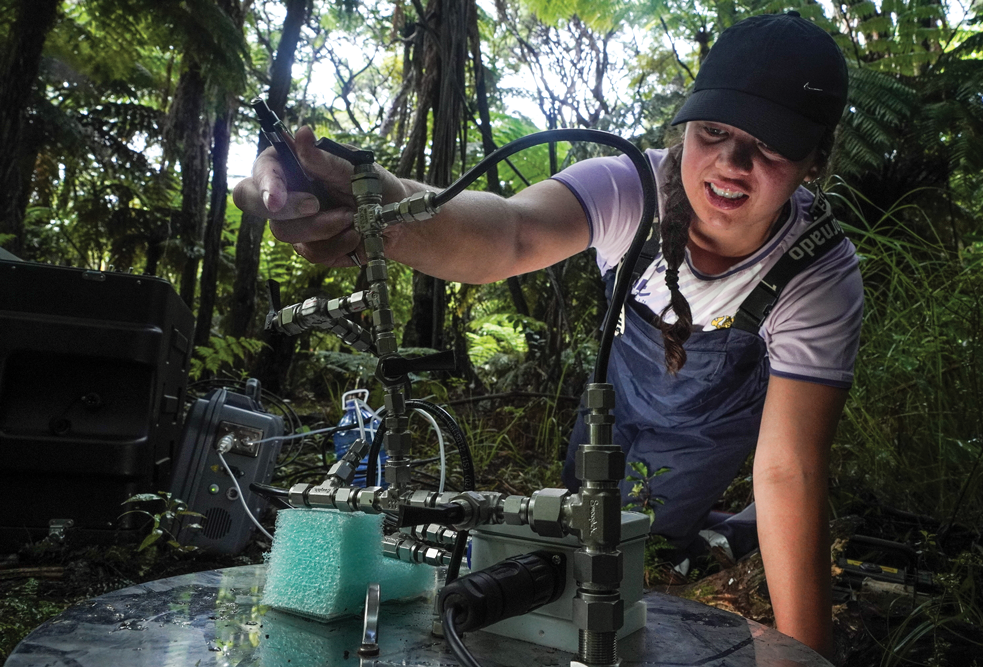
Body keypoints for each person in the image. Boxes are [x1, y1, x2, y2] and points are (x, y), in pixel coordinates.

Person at [234, 12, 861, 658]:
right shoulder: (631, 187)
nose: (731, 163)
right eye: (714, 131)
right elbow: (509, 231)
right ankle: (718, 533)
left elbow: (790, 468)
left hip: (707, 438)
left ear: (815, 161)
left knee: (656, 542)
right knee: (576, 529)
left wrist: (801, 655)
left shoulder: (818, 273)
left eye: (769, 144)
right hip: (614, 415)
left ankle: (714, 533)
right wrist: (382, 205)